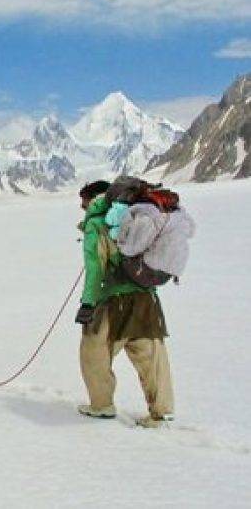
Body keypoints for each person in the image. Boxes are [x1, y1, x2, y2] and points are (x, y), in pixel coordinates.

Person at [75, 180, 175, 428]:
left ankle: (101, 405)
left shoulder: (97, 223)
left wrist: (88, 303)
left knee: (94, 351)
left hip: (114, 299)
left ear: (93, 199)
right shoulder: (138, 216)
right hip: (147, 299)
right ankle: (161, 411)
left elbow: (95, 266)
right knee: (150, 354)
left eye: (83, 201)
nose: (81, 206)